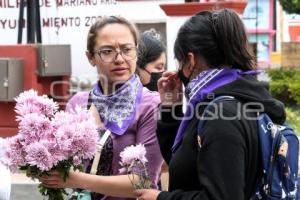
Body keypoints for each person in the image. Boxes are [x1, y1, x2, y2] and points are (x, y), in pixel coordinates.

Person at [135, 9, 286, 200]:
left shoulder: (220, 115)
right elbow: (185, 165)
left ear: (190, 61)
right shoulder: (239, 97)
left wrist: (160, 198)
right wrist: (170, 108)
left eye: (178, 61)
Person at [41, 16, 163, 199]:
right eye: (107, 51)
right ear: (90, 57)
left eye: (127, 49)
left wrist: (76, 179)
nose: (120, 58)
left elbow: (143, 182)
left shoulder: (150, 105)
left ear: (136, 53)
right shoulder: (78, 103)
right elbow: (62, 162)